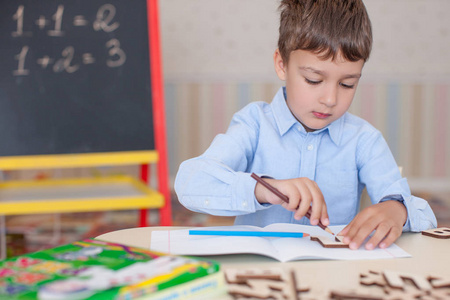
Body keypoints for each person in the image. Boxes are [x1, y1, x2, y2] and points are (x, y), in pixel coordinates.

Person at [174, 0, 437, 250]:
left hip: (329, 273)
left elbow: (424, 214)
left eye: (347, 84)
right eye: (313, 80)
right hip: (257, 267)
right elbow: (190, 183)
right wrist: (264, 189)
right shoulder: (253, 123)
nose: (330, 99)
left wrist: (397, 209)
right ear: (281, 64)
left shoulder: (364, 140)